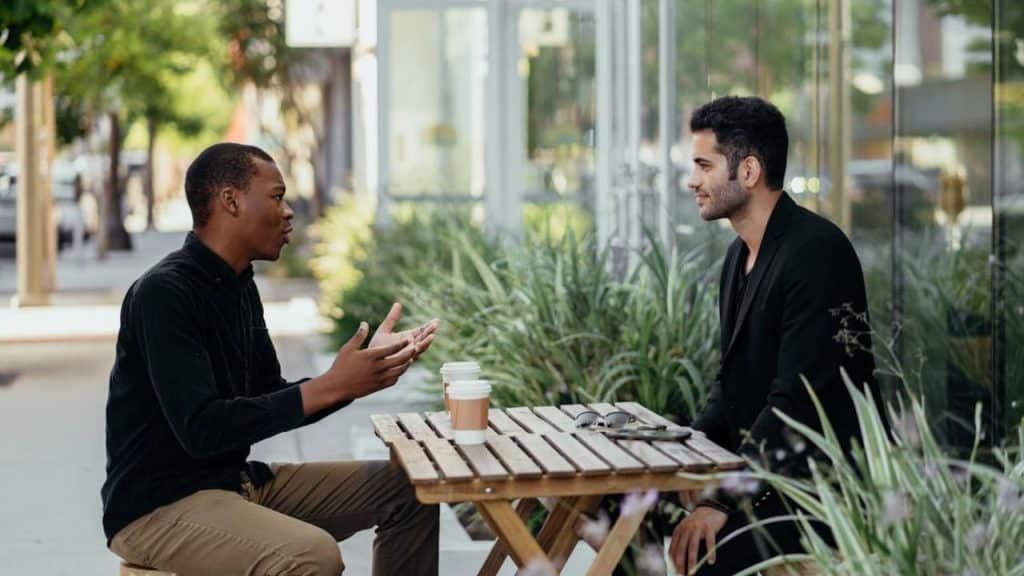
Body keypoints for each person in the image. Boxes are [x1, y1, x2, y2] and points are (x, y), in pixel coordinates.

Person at [101, 143, 440, 575]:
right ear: (231, 200)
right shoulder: (163, 294)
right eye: (277, 196)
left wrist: (356, 378)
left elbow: (268, 397)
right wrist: (333, 384)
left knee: (410, 488)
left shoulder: (240, 285)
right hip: (157, 507)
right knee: (310, 556)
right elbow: (201, 429)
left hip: (235, 484)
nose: (288, 211)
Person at [668, 96, 881, 575]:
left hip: (815, 495)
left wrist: (720, 500)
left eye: (704, 165)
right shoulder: (736, 257)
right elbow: (733, 386)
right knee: (621, 514)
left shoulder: (817, 253)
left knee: (703, 553)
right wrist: (684, 454)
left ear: (748, 171)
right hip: (762, 477)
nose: (692, 181)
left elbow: (797, 401)